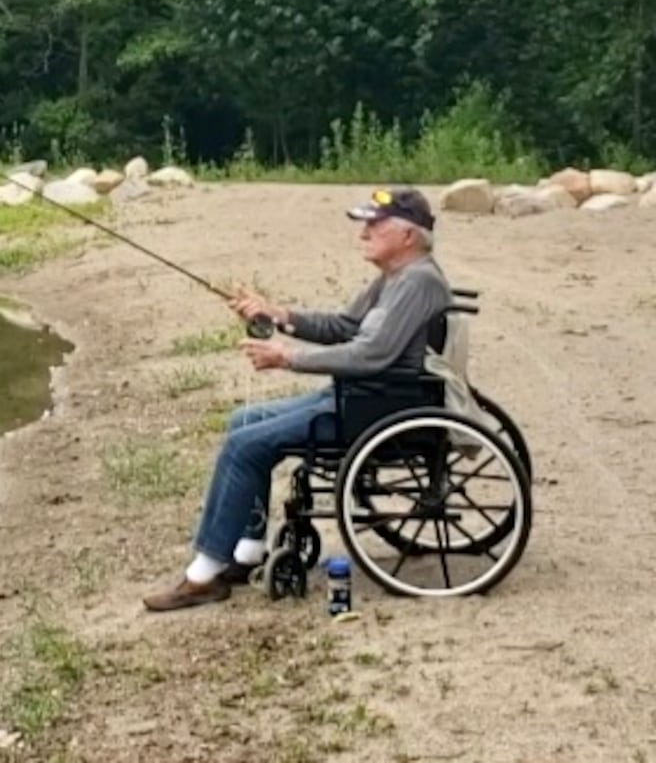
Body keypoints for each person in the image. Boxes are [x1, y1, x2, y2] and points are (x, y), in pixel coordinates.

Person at [141, 187, 452, 612]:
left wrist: (288, 359)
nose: (364, 232)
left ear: (408, 236)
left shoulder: (419, 282)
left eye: (374, 225)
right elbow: (343, 326)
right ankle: (246, 553)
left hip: (375, 409)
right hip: (360, 398)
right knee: (245, 422)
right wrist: (278, 315)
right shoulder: (394, 279)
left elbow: (370, 354)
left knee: (244, 446)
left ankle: (203, 575)